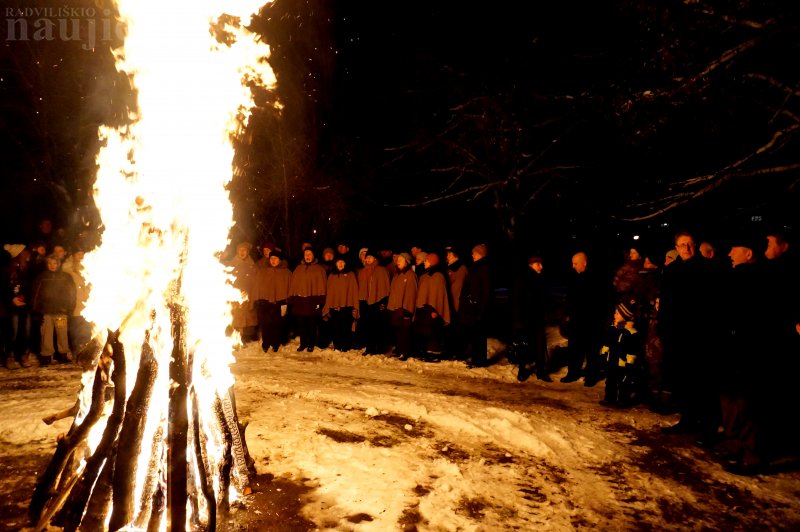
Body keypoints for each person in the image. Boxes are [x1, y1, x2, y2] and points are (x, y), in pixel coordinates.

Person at [658, 231, 723, 437]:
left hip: (699, 333)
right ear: (676, 248)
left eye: (689, 244)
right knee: (682, 379)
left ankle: (706, 425)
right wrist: (663, 327)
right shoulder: (672, 270)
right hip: (676, 333)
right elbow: (666, 302)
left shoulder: (707, 269)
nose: (686, 248)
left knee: (701, 381)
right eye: (682, 245)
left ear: (694, 246)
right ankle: (687, 419)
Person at [561, 251, 608, 385]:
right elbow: (569, 298)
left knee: (592, 350)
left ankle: (591, 376)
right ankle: (572, 373)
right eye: (572, 263)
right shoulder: (573, 278)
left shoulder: (596, 278)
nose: (573, 266)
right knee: (575, 348)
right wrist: (566, 314)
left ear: (584, 263)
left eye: (575, 263)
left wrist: (600, 319)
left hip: (592, 321)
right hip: (576, 320)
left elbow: (601, 301)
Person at [30, 254, 76, 365]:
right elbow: (35, 294)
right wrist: (36, 311)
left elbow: (72, 294)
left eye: (55, 263)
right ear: (46, 264)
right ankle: (46, 355)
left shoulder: (65, 277)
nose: (52, 265)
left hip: (61, 311)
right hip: (46, 312)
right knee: (46, 334)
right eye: (49, 263)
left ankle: (63, 354)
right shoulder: (41, 277)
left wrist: (69, 308)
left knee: (62, 333)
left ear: (59, 264)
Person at [511, 255, 552, 382]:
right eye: (538, 264)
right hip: (526, 318)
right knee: (525, 345)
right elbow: (517, 300)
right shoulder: (523, 279)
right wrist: (518, 320)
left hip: (537, 318)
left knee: (539, 344)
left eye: (541, 263)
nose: (541, 266)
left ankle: (540, 370)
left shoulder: (540, 278)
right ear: (531, 264)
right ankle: (522, 370)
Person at [599, 299, 644, 408]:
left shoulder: (630, 333)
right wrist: (605, 350)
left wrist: (630, 362)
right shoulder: (615, 329)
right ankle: (610, 398)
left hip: (622, 363)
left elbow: (632, 349)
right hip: (612, 360)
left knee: (623, 382)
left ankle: (622, 400)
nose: (614, 314)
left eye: (617, 313)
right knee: (610, 380)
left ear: (624, 316)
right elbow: (609, 341)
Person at [251, 249, 291, 353]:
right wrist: (257, 299)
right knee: (266, 324)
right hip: (265, 302)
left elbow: (290, 287)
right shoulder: (263, 272)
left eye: (275, 258)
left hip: (280, 302)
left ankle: (275, 343)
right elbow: (257, 286)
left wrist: (288, 300)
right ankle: (266, 343)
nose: (273, 261)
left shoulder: (286, 273)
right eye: (271, 258)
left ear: (280, 260)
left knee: (277, 324)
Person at [412, 253, 450, 360]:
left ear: (432, 262)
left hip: (432, 309)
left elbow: (439, 295)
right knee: (424, 331)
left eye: (426, 261)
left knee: (433, 331)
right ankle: (425, 352)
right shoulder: (424, 275)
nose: (424, 262)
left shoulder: (438, 276)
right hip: (423, 309)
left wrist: (435, 309)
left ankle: (434, 354)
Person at [288, 248, 327, 352]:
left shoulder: (319, 269)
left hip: (312, 301)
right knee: (301, 324)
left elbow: (322, 286)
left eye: (310, 254)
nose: (308, 256)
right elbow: (293, 285)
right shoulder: (298, 269)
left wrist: (321, 301)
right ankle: (303, 343)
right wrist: (292, 299)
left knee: (312, 324)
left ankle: (311, 343)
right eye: (306, 254)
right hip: (300, 301)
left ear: (314, 255)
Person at [461, 244, 493, 368]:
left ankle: (480, 361)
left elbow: (486, 291)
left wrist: (481, 310)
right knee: (475, 335)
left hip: (479, 309)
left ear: (480, 254)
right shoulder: (476, 267)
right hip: (474, 307)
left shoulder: (483, 268)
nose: (472, 255)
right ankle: (476, 359)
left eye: (474, 253)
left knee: (479, 336)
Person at [357, 249, 391, 355]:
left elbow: (385, 287)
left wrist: (383, 301)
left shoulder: (381, 270)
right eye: (366, 257)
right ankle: (369, 347)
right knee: (367, 326)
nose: (368, 259)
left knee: (378, 326)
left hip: (378, 302)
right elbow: (360, 287)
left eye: (370, 257)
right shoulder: (362, 272)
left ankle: (379, 347)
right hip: (364, 302)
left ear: (375, 258)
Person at [322, 255, 360, 351]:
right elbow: (329, 292)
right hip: (334, 306)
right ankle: (337, 345)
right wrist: (327, 306)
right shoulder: (332, 275)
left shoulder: (350, 275)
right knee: (335, 327)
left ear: (346, 263)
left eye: (342, 262)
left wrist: (355, 306)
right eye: (338, 262)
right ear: (335, 263)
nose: (340, 264)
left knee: (346, 327)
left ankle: (345, 346)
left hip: (347, 306)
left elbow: (354, 291)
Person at [226, 242, 259, 343]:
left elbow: (256, 281)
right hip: (234, 294)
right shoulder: (231, 265)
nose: (242, 252)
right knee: (235, 315)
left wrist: (253, 295)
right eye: (240, 250)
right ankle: (234, 336)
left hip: (248, 293)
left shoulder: (252, 265)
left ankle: (248, 334)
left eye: (244, 250)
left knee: (249, 314)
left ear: (248, 252)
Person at [387, 253, 417, 359]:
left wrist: (407, 309)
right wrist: (391, 307)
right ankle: (399, 349)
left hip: (404, 309)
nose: (397, 261)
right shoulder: (396, 275)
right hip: (395, 308)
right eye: (397, 259)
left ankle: (406, 352)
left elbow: (411, 293)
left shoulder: (410, 275)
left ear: (407, 262)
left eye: (401, 259)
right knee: (398, 330)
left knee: (405, 331)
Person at [444, 245, 468, 359]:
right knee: (451, 330)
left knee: (457, 330)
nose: (447, 256)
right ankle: (451, 351)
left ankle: (458, 353)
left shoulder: (460, 268)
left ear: (455, 255)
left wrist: (453, 306)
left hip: (456, 305)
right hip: (451, 304)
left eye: (449, 254)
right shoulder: (450, 268)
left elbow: (457, 289)